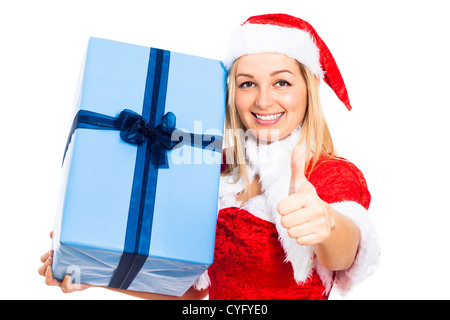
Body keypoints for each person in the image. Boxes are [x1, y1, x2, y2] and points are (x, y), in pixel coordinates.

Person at [38, 13, 379, 300]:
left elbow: (345, 251)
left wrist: (327, 224)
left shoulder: (331, 174)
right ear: (232, 93)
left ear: (309, 89)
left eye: (281, 83)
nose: (263, 101)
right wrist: (96, 272)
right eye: (247, 84)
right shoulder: (215, 171)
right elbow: (191, 293)